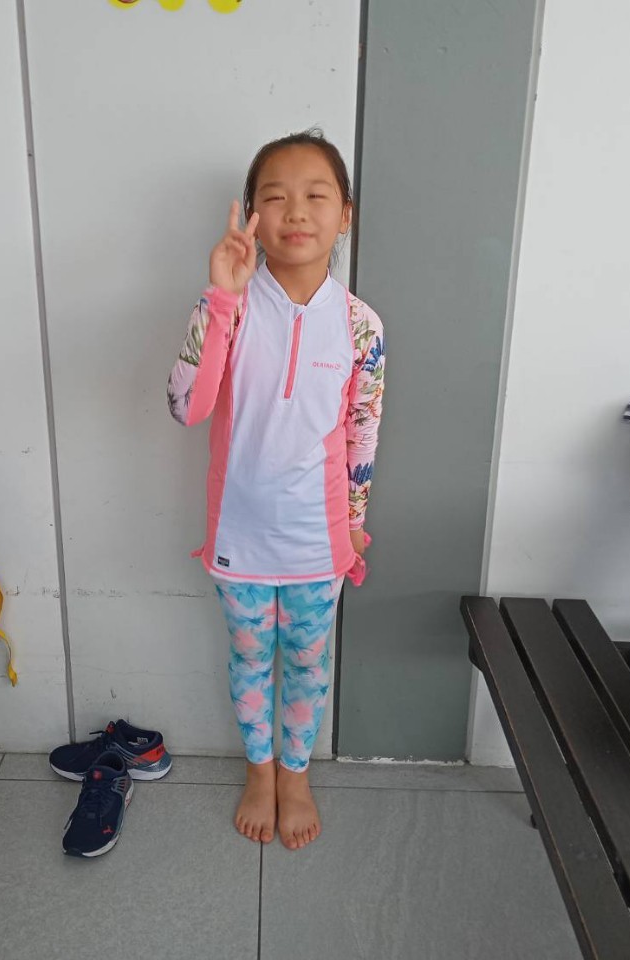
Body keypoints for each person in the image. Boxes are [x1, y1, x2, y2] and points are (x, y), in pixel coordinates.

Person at [167, 130, 386, 850]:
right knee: (250, 658)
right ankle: (258, 772)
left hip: (319, 541)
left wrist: (354, 523)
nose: (297, 211)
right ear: (253, 216)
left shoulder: (360, 326)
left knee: (308, 663)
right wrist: (221, 298)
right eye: (276, 196)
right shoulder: (229, 307)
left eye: (316, 195)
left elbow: (362, 437)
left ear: (344, 215)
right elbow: (186, 406)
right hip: (240, 535)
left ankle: (296, 775)